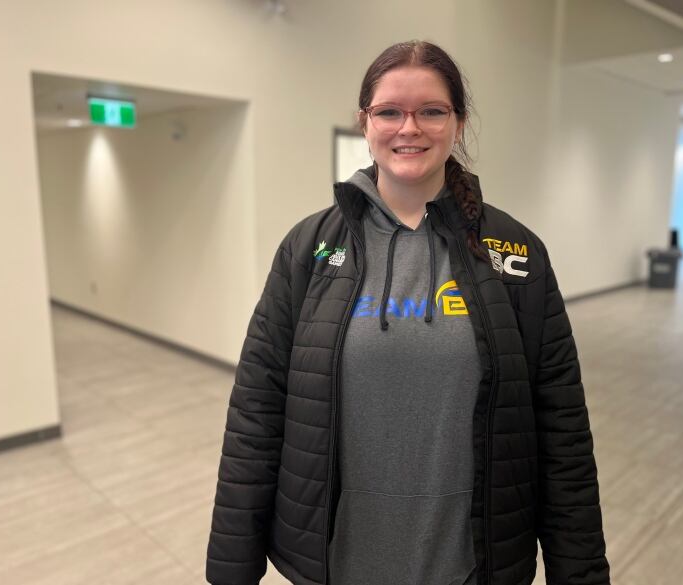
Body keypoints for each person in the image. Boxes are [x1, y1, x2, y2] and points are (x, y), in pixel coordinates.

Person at [206, 40, 610, 585]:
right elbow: (257, 410)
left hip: (472, 562)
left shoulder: (515, 253)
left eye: (432, 111)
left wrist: (579, 573)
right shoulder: (308, 249)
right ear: (365, 122)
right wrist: (232, 567)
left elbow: (562, 427)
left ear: (459, 123)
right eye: (390, 111)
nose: (409, 128)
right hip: (337, 562)